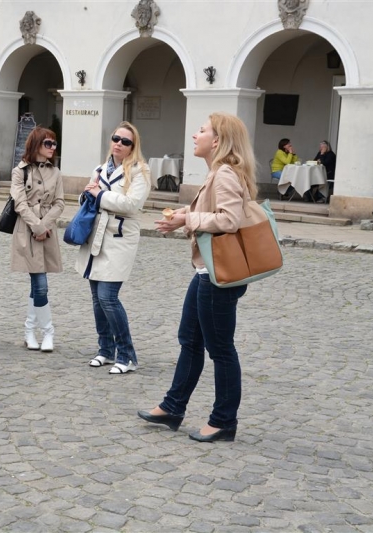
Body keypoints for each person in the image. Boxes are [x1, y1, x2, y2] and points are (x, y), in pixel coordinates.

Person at [139, 112, 256, 443]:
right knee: (190, 340)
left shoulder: (225, 174)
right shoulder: (218, 173)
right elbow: (214, 214)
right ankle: (173, 407)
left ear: (217, 140)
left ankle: (223, 421)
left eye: (202, 131)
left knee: (221, 349)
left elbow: (229, 220)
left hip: (219, 275)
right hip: (206, 270)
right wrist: (184, 216)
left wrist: (187, 219)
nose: (195, 135)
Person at [80, 122, 150, 374]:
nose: (119, 143)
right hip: (95, 236)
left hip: (119, 238)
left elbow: (132, 204)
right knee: (97, 299)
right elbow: (87, 195)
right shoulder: (99, 169)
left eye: (125, 141)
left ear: (133, 146)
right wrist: (89, 194)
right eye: (116, 138)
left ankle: (127, 354)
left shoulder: (140, 170)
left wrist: (99, 195)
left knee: (108, 298)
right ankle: (106, 350)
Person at [9, 127, 65, 352]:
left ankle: (30, 330)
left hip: (47, 232)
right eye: (47, 143)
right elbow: (19, 203)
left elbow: (60, 203)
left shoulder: (57, 173)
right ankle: (48, 331)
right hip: (28, 231)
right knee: (40, 285)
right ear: (36, 145)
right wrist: (36, 226)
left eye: (54, 144)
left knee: (37, 286)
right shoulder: (19, 171)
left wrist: (45, 225)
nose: (52, 148)